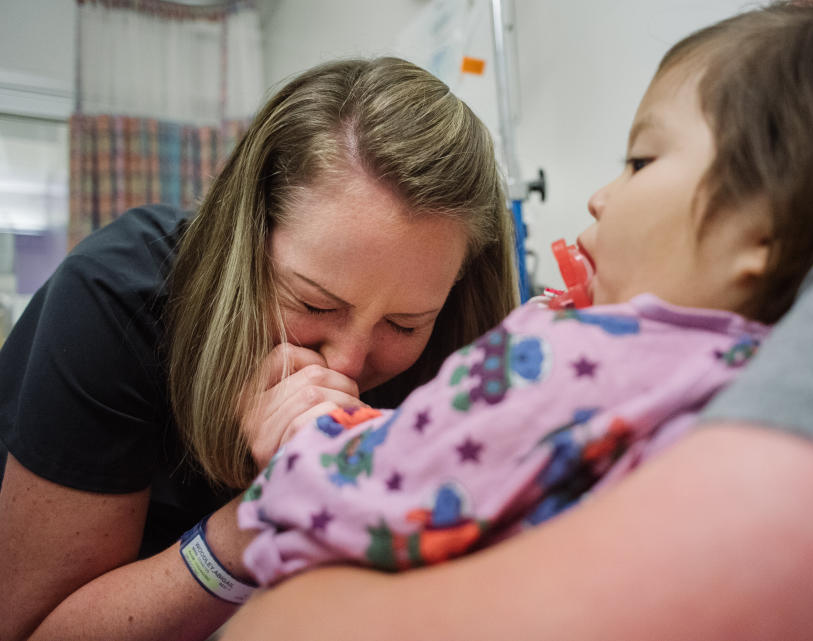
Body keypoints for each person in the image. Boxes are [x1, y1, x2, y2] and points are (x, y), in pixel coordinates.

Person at [220, 0, 813, 638]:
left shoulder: (585, 356)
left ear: (760, 237)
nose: (603, 196)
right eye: (316, 302)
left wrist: (302, 439)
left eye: (639, 161)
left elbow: (394, 477)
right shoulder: (753, 358)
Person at [0, 57, 517, 641]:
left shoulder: (455, 356)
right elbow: (33, 631)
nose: (347, 364)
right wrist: (265, 517)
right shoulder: (114, 300)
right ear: (246, 238)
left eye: (403, 324)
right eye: (316, 305)